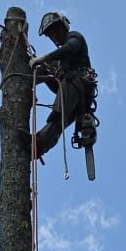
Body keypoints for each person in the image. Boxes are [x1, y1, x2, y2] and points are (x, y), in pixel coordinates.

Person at [25, 12, 95, 158]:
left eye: (56, 30)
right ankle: (38, 145)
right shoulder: (60, 63)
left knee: (57, 117)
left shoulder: (75, 37)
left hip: (77, 84)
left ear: (64, 27)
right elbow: (51, 68)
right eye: (51, 34)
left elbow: (70, 48)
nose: (54, 35)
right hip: (74, 93)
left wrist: (44, 58)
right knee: (58, 124)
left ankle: (37, 142)